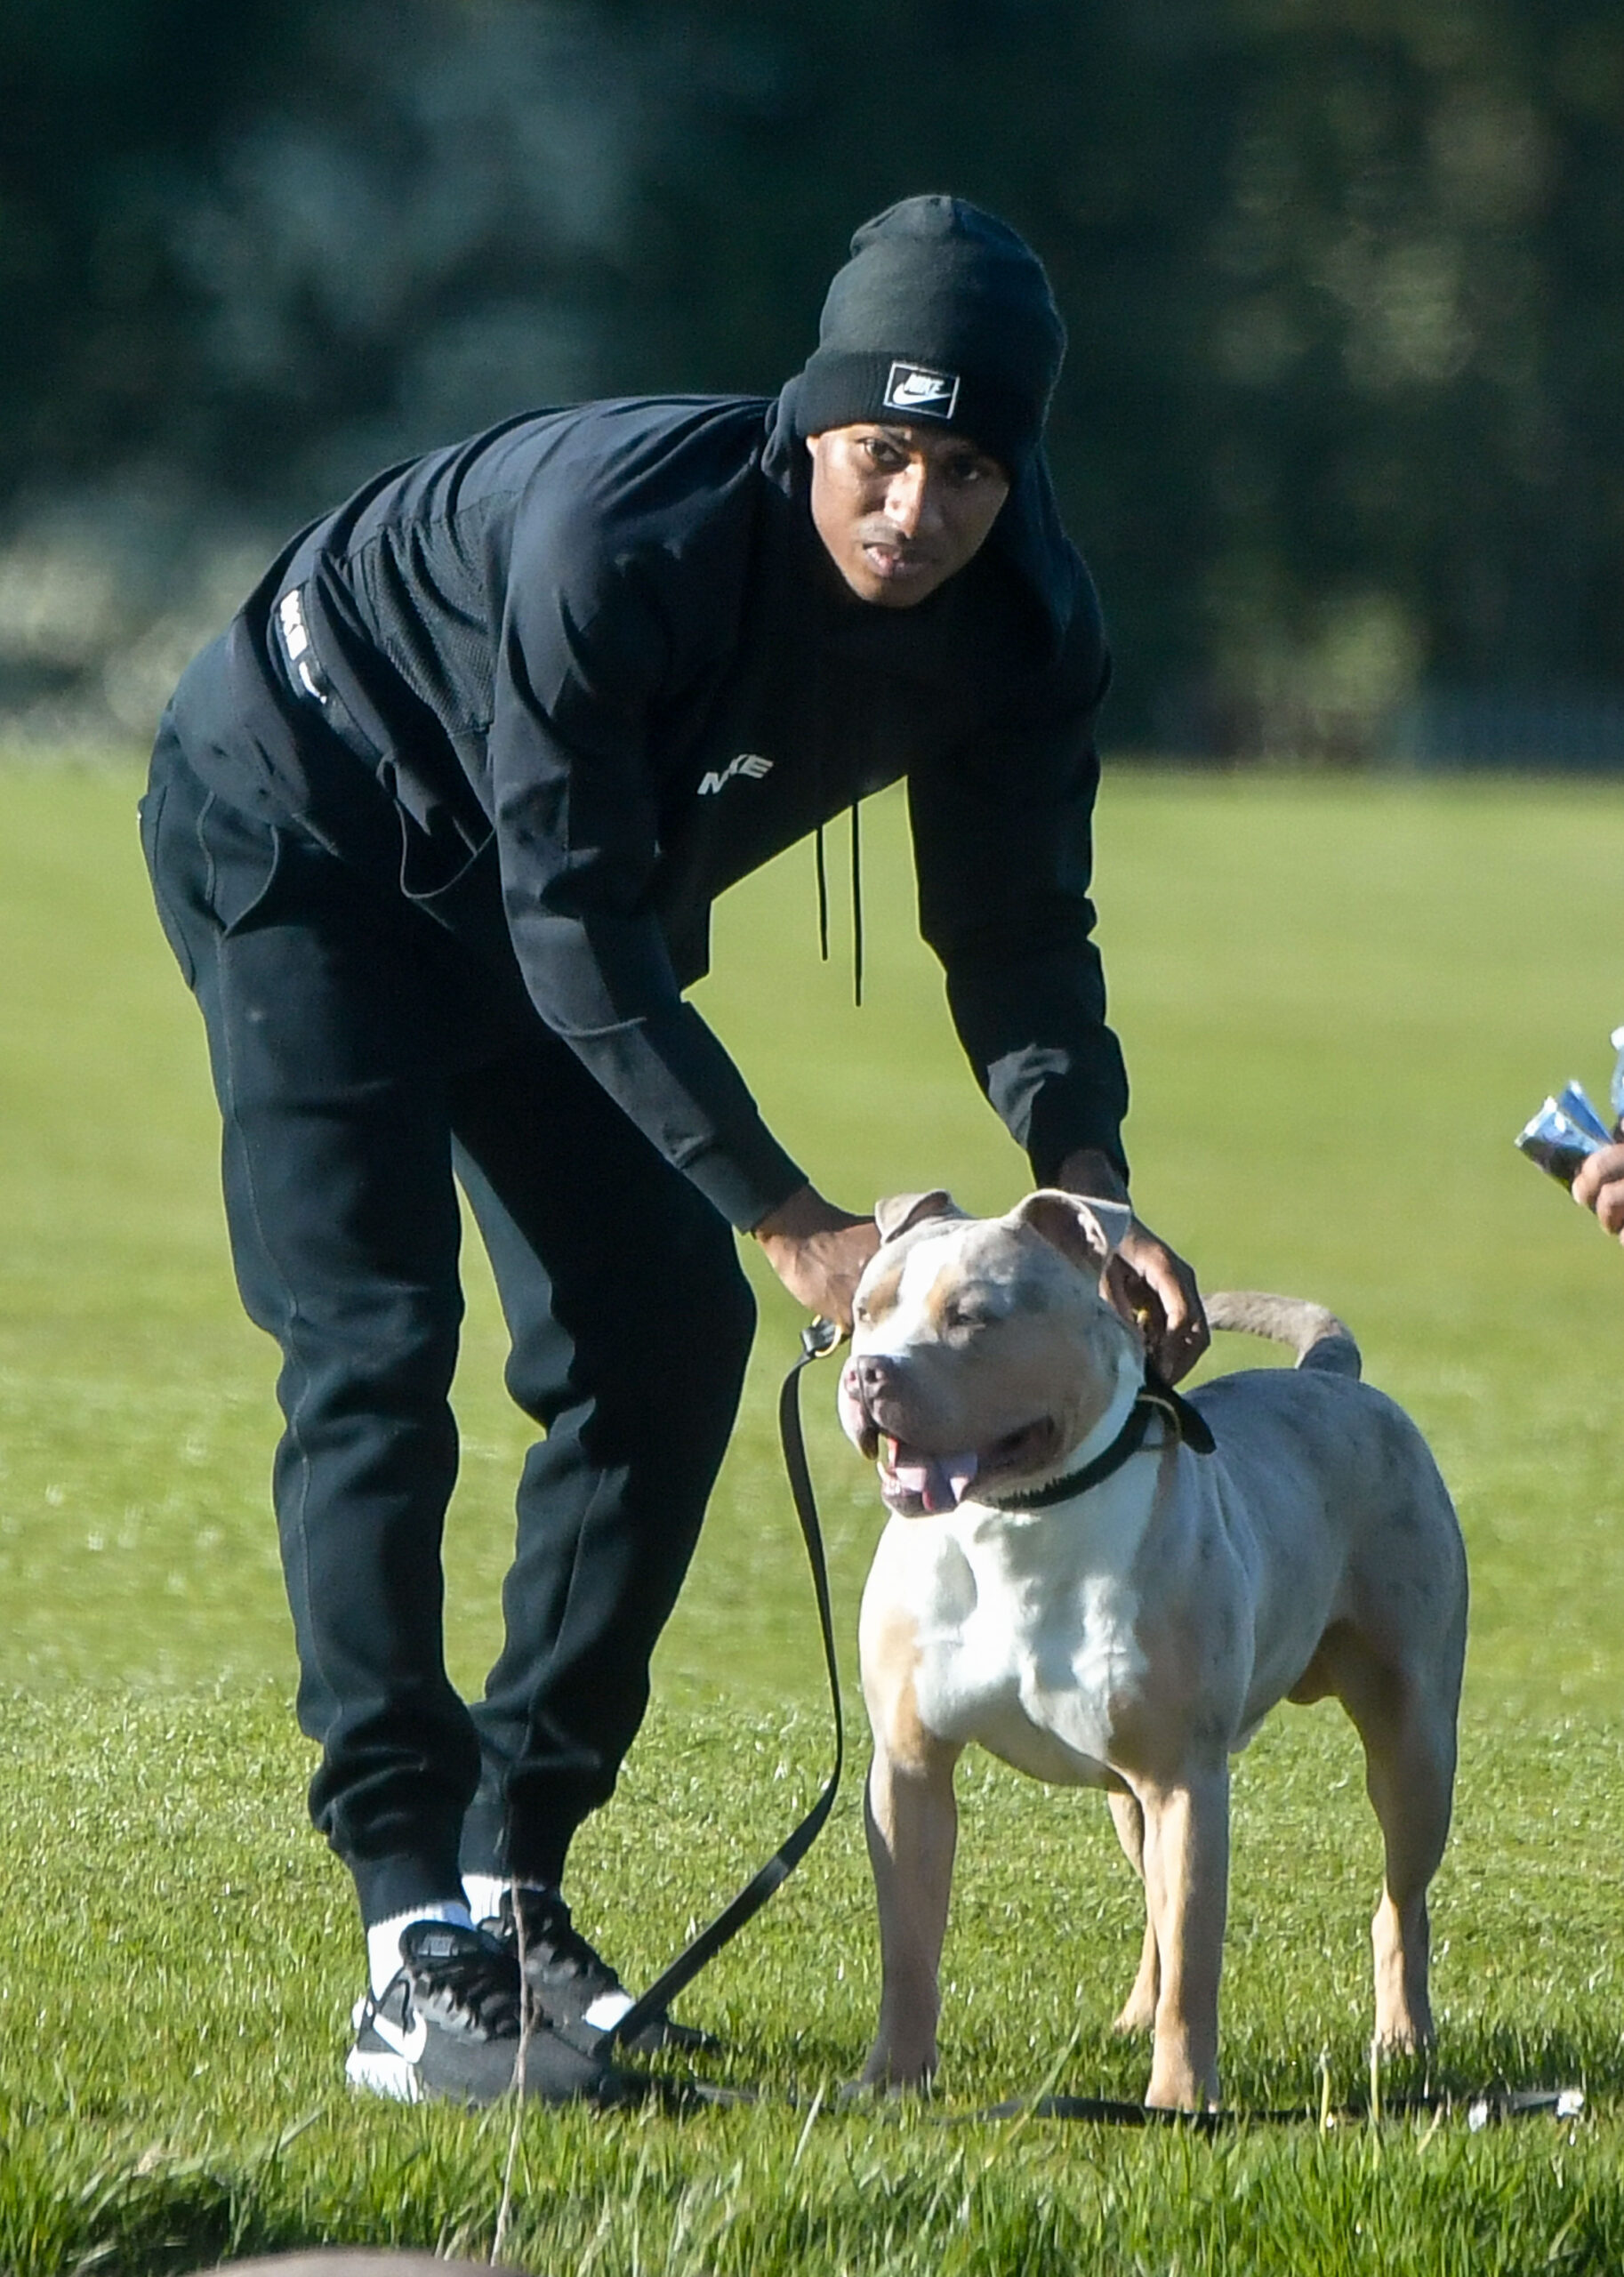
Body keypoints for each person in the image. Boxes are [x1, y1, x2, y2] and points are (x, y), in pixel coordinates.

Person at [140, 194, 1208, 2104]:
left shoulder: (1025, 619)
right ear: (810, 427)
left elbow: (1023, 930)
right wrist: (791, 1219)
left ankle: (511, 1867)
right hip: (302, 833)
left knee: (658, 1341)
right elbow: (572, 935)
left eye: (967, 468)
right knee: (374, 1350)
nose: (915, 508)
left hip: (569, 914)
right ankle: (410, 1930)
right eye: (879, 452)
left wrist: (1089, 1170)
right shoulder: (618, 541)